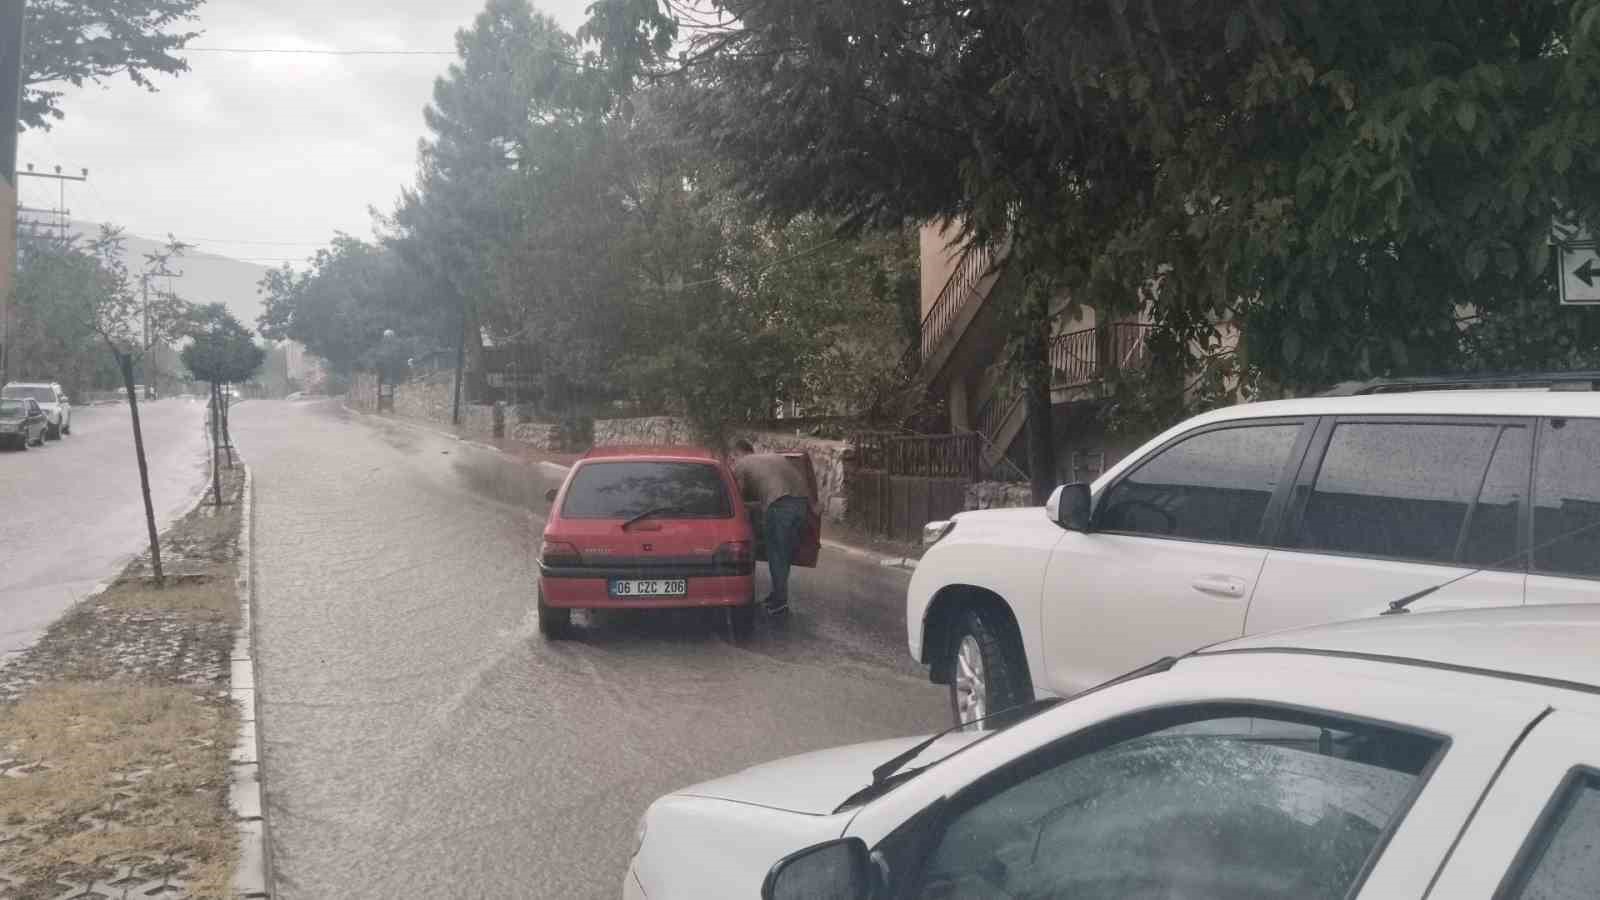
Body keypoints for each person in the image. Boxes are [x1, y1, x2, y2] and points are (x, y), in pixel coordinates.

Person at [731, 439, 812, 616]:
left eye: (733, 457)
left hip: (779, 506)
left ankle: (779, 602)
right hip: (802, 504)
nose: (733, 460)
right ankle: (777, 594)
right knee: (785, 553)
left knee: (776, 554)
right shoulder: (774, 457)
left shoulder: (742, 464)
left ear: (737, 454)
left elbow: (738, 497)